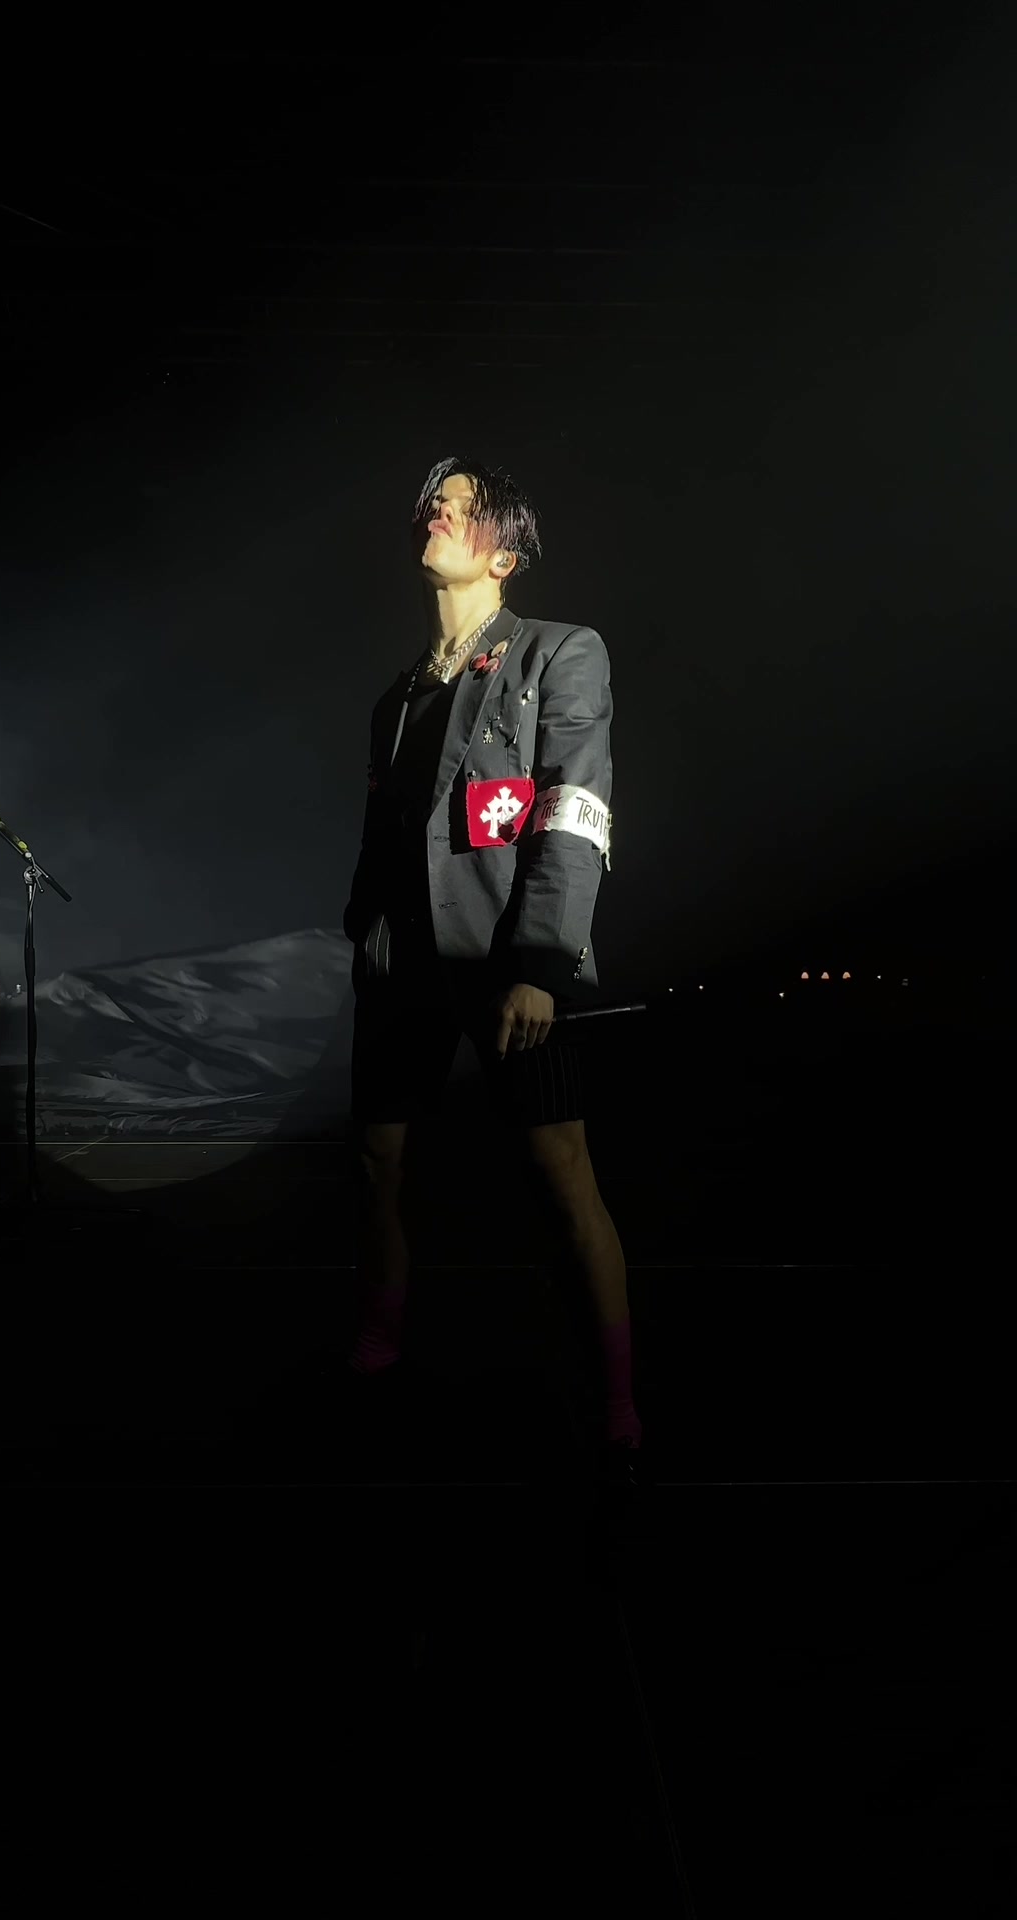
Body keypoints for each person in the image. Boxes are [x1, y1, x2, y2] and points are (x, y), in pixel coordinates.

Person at [341, 455, 643, 1484]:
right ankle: (379, 1340)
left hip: (509, 955)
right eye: (435, 500)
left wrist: (542, 965)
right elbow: (385, 833)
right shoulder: (396, 696)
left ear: (503, 555)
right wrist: (362, 933)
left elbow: (574, 809)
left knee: (562, 1172)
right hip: (400, 966)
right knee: (378, 1160)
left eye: (462, 506)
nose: (437, 509)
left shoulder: (559, 652)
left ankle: (616, 1395)